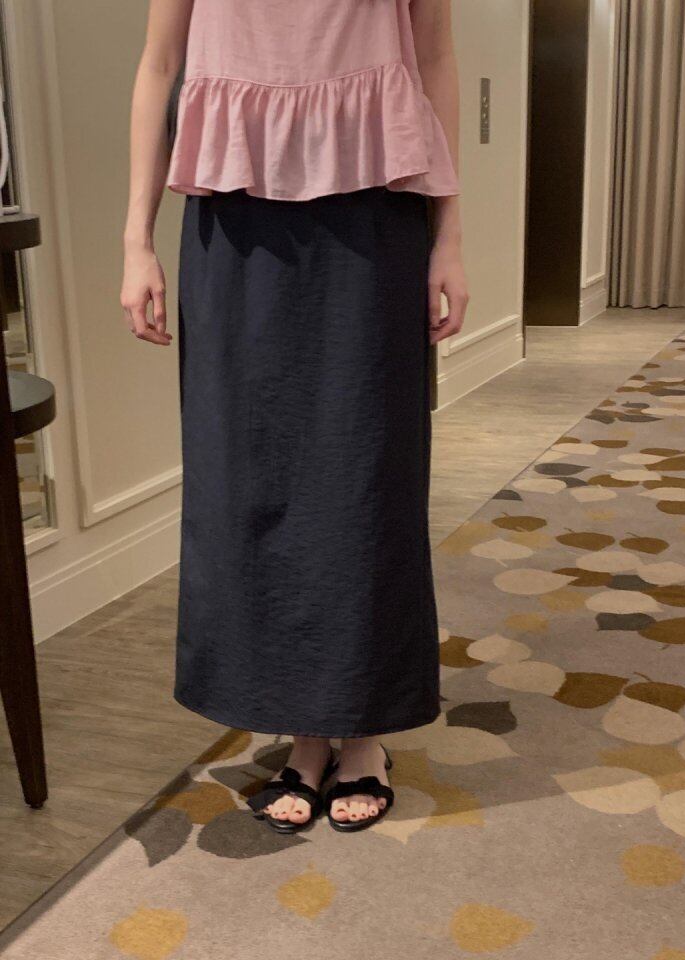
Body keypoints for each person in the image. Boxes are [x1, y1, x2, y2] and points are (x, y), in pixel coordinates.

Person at [121, 0, 468, 835]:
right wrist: (136, 239)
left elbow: (434, 63)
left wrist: (449, 237)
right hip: (234, 219)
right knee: (252, 477)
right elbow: (159, 65)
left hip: (374, 214)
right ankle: (304, 731)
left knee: (365, 471)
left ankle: (364, 732)